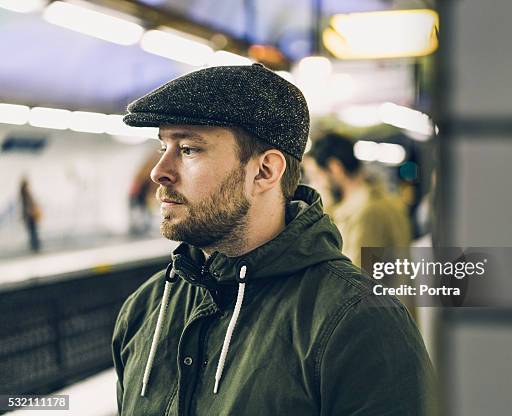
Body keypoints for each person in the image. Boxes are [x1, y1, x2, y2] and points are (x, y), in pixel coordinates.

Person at [112, 63, 435, 415]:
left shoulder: (359, 323)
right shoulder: (143, 311)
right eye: (163, 147)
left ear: (265, 171)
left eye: (188, 149)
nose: (159, 171)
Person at [306, 133, 412, 267]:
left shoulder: (367, 213)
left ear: (335, 168)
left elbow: (353, 280)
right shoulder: (380, 200)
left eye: (316, 176)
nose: (315, 185)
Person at [19, 177, 41, 252]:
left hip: (29, 215)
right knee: (33, 231)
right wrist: (31, 212)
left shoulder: (24, 193)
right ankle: (35, 246)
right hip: (30, 215)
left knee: (32, 231)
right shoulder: (25, 193)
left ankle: (35, 246)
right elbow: (27, 205)